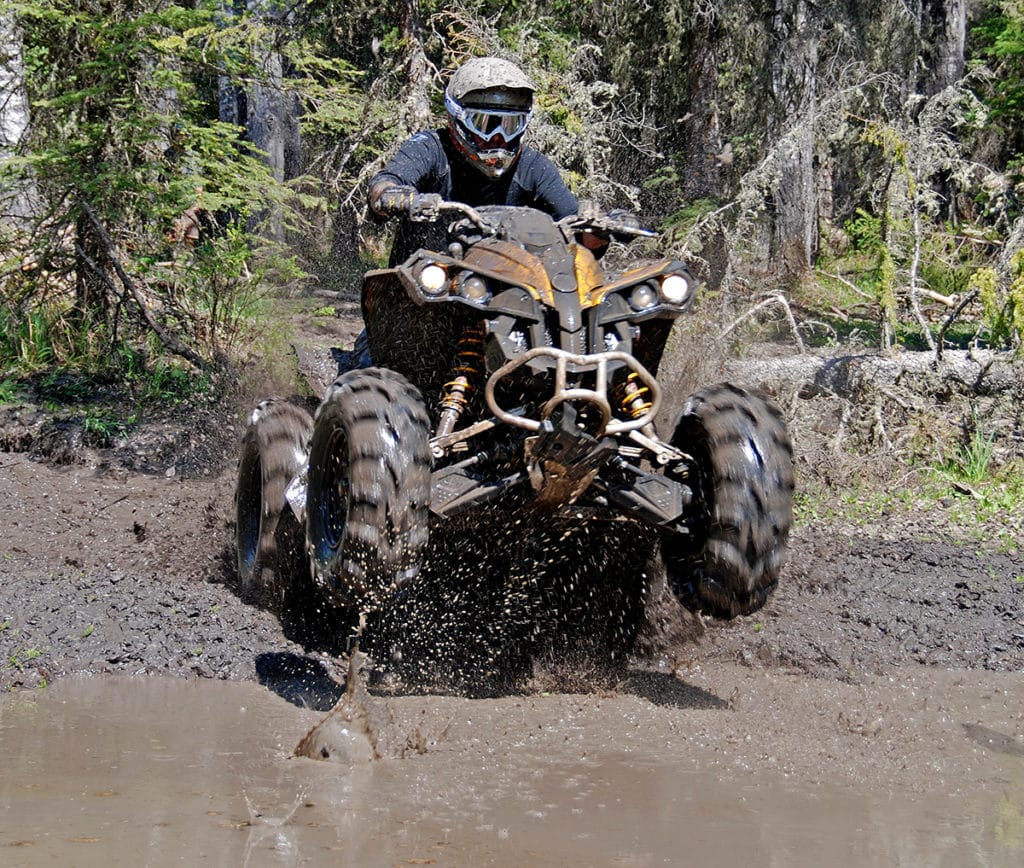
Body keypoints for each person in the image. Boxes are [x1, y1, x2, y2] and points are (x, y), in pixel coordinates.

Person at [368, 56, 581, 265]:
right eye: (486, 124)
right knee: (383, 289)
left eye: (510, 125)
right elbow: (385, 183)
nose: (499, 138)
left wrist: (598, 228)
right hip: (424, 280)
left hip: (508, 286)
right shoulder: (429, 147)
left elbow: (576, 225)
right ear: (456, 117)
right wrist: (396, 196)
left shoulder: (534, 166)